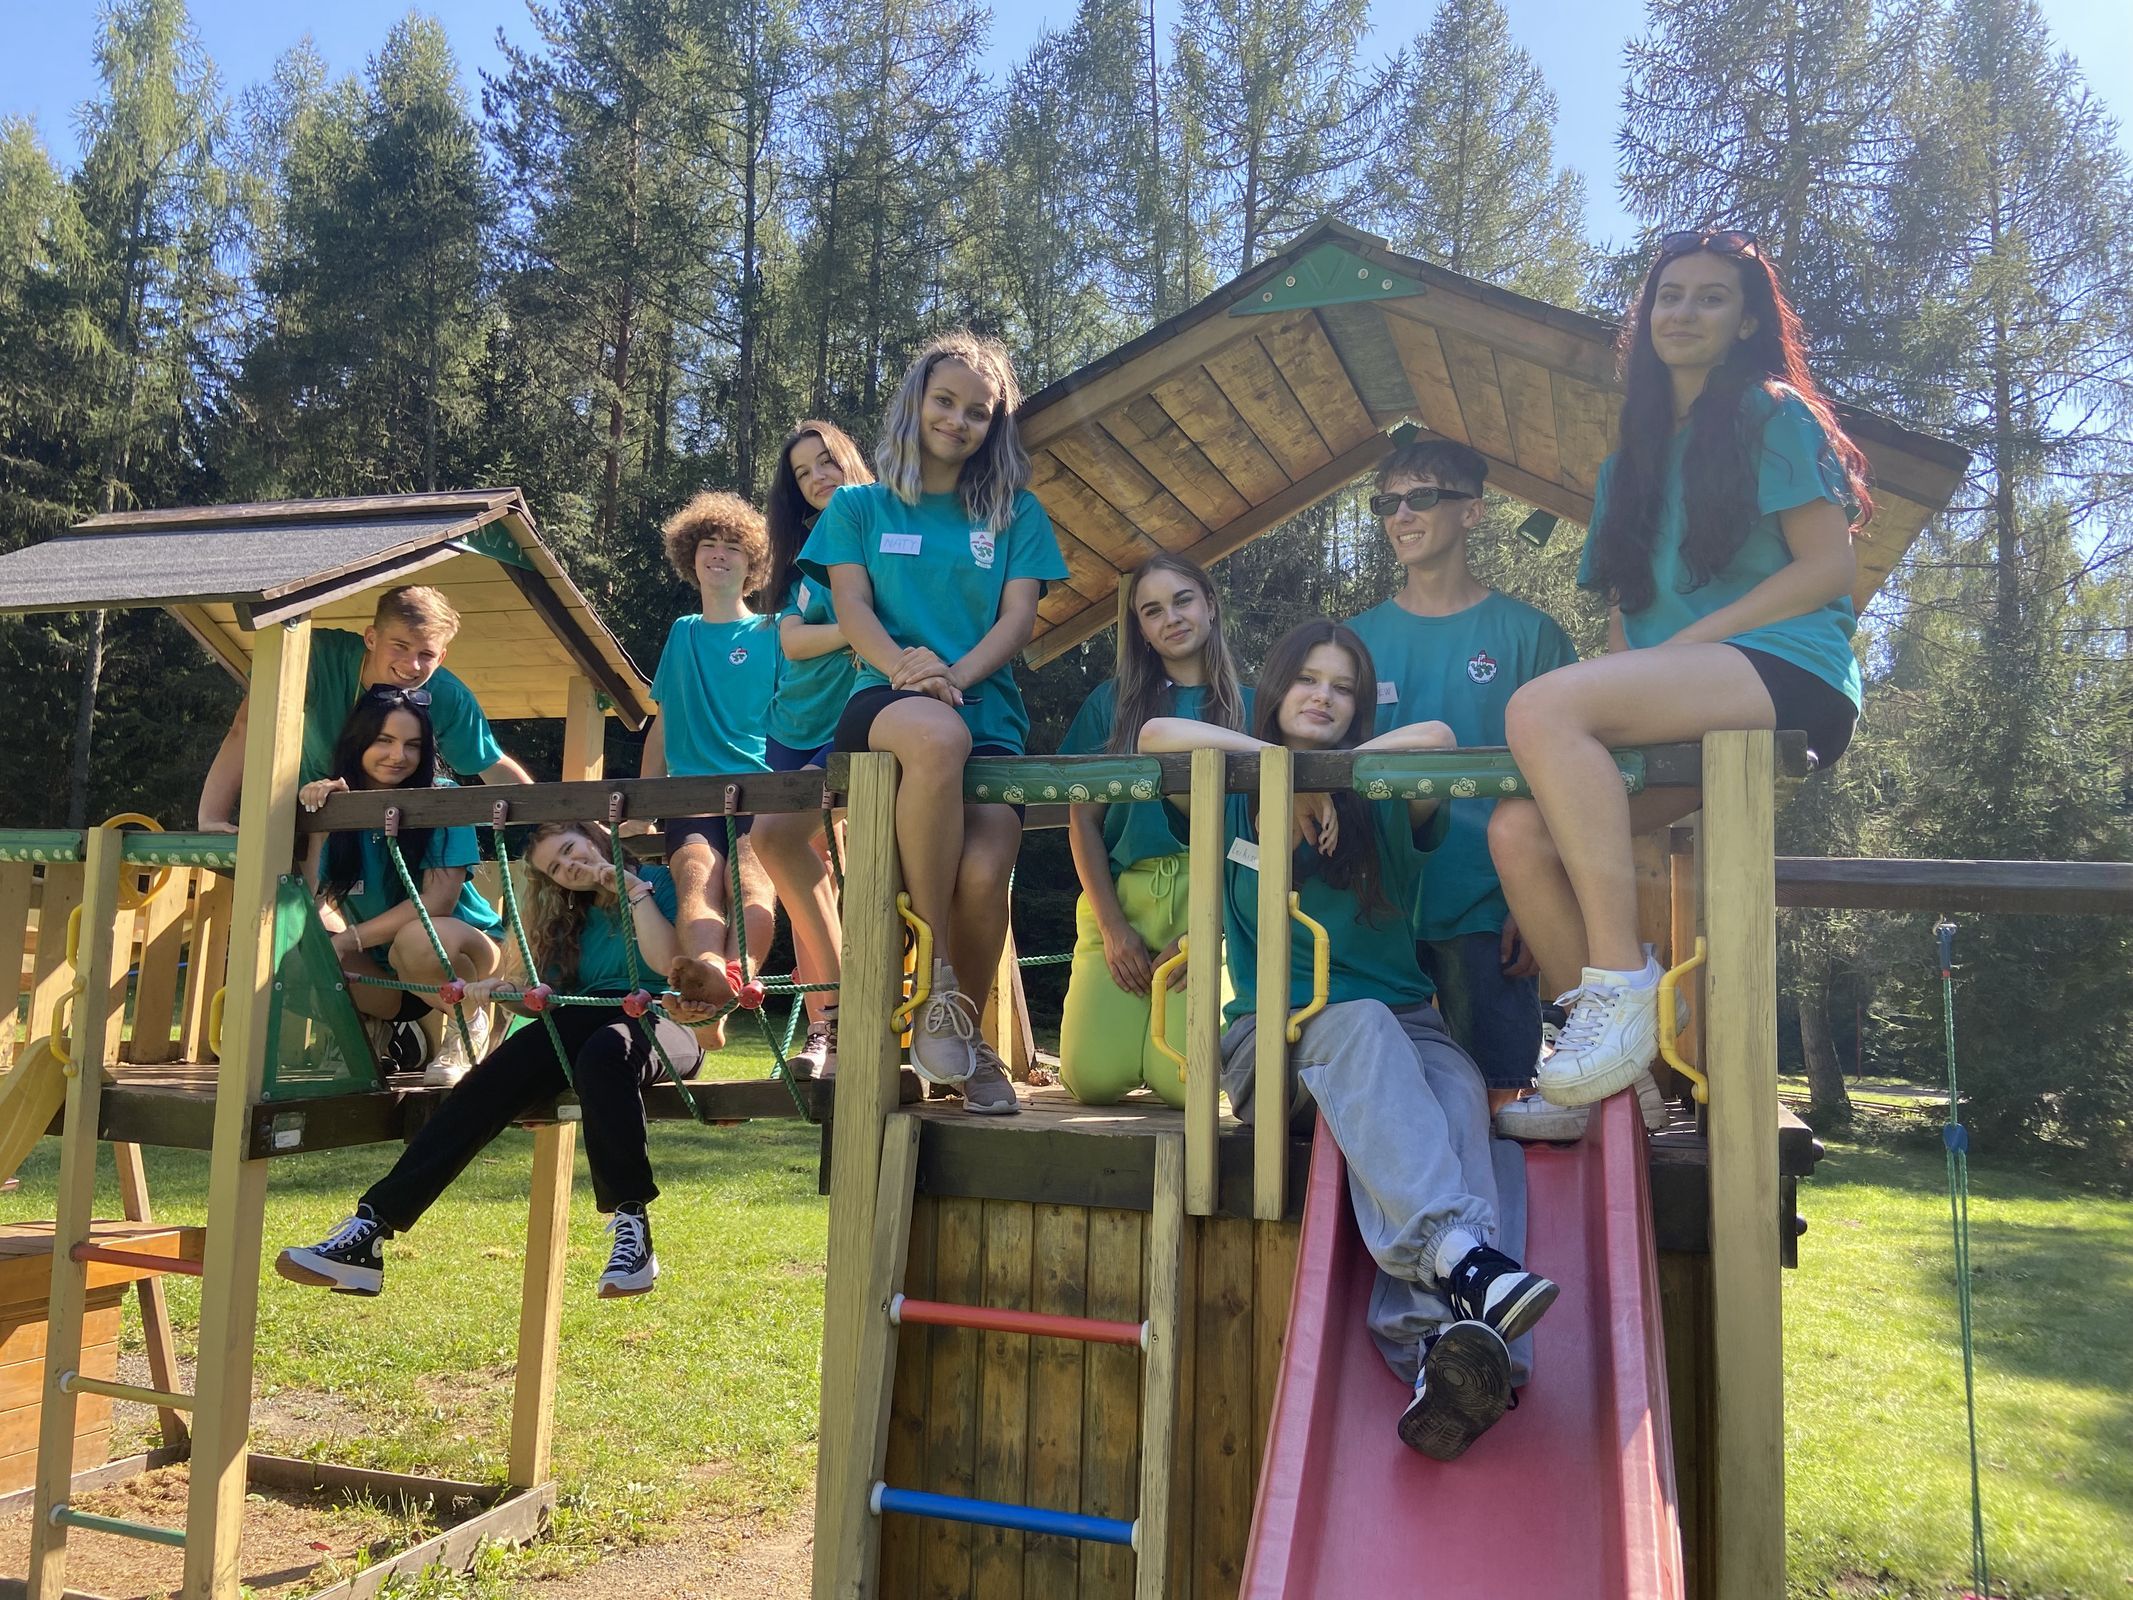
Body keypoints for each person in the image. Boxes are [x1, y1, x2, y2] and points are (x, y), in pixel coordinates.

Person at [1142, 620, 1557, 1461]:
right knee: (1361, 1022)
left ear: (1361, 708)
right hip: (1275, 1038)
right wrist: (1283, 775)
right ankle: (1464, 1259)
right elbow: (1156, 733)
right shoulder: (1227, 791)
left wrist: (1333, 779)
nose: (1321, 696)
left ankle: (1437, 1352)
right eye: (1306, 679)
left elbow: (1437, 737)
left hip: (1409, 1027)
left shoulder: (1389, 794)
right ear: (1275, 690)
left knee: (1458, 1097)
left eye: (1341, 687)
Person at [1490, 228, 1871, 1116]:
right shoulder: (1626, 464)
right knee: (1517, 832)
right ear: (1645, 316)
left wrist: (1688, 647)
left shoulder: (1771, 412)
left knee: (1538, 708)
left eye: (1710, 297)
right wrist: (1646, 669)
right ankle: (1609, 1073)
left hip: (1789, 671)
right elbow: (1627, 623)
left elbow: (1827, 569)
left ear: (1746, 322)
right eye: (1669, 295)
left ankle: (1621, 978)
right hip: (1689, 684)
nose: (1683, 312)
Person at [1342, 440, 1663, 1143]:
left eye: (1421, 497)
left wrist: (1537, 900)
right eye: (1387, 503)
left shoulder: (1531, 635)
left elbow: (1573, 785)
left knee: (1502, 1103)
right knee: (1381, 1107)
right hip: (1375, 910)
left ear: (1472, 513)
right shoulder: (1351, 642)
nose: (1401, 515)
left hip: (1490, 907)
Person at [799, 332, 1067, 1116]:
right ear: (915, 403)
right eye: (944, 401)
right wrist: (905, 671)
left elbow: (1017, 619)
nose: (958, 420)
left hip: (987, 709)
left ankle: (964, 1038)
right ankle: (938, 982)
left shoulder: (1017, 513)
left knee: (984, 870)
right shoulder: (857, 506)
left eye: (977, 412)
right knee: (936, 734)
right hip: (884, 698)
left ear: (994, 426)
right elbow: (851, 607)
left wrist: (953, 676)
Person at [276, 821, 704, 1301]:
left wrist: (629, 889)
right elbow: (543, 998)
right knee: (489, 1080)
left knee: (605, 1054)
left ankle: (632, 1227)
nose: (570, 867)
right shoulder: (569, 913)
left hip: (667, 1020)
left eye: (571, 849)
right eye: (556, 868)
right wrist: (505, 993)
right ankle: (370, 1230)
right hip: (581, 1022)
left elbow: (670, 964)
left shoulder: (660, 883)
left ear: (596, 837)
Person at [1058, 554, 1250, 1108]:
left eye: (1183, 600)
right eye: (1153, 610)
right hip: (1121, 896)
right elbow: (1083, 820)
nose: (1172, 618)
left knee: (1186, 1086)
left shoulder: (1256, 705)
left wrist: (1211, 931)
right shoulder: (1110, 703)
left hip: (1217, 901)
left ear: (1210, 605)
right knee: (1091, 1081)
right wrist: (1113, 927)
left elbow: (1263, 841)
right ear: (1140, 629)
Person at [299, 686, 505, 1086]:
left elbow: (438, 901)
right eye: (384, 740)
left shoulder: (441, 797)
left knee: (416, 938)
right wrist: (324, 819)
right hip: (383, 965)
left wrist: (350, 938)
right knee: (299, 947)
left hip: (457, 950)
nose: (399, 756)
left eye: (413, 745)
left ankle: (469, 1025)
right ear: (358, 741)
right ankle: (371, 1031)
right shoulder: (340, 801)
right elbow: (314, 896)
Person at [200, 585, 531, 830]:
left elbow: (490, 763)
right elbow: (247, 726)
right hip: (305, 818)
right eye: (400, 646)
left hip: (394, 830)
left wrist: (551, 823)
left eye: (426, 654)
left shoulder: (448, 696)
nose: (412, 665)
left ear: (441, 657)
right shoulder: (313, 657)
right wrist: (212, 818)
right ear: (371, 638)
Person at [754, 421, 874, 1078]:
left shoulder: (879, 530)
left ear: (849, 458)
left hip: (849, 723)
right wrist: (852, 631)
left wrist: (854, 632)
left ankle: (848, 1017)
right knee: (804, 879)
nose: (818, 476)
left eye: (826, 460)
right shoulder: (804, 553)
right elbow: (793, 642)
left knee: (794, 847)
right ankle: (825, 1025)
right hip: (789, 726)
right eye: (803, 472)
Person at [642, 491, 780, 1042]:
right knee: (696, 870)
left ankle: (733, 977)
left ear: (752, 564)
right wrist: (642, 805)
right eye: (707, 544)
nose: (718, 554)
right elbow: (663, 723)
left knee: (750, 873)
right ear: (690, 557)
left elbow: (803, 717)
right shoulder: (683, 632)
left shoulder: (775, 631)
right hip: (692, 789)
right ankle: (704, 973)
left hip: (765, 786)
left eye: (732, 547)